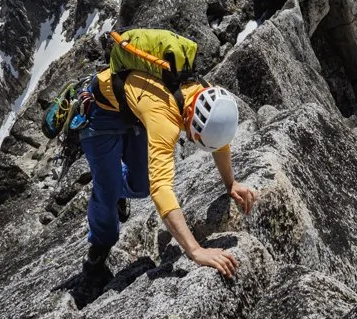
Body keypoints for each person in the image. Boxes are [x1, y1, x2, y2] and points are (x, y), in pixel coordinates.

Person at [80, 32, 256, 290]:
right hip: (100, 113)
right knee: (107, 191)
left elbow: (219, 137)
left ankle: (116, 185)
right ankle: (98, 248)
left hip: (134, 112)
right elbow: (161, 189)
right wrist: (195, 250)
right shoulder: (164, 119)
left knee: (141, 186)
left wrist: (231, 183)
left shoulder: (205, 93)